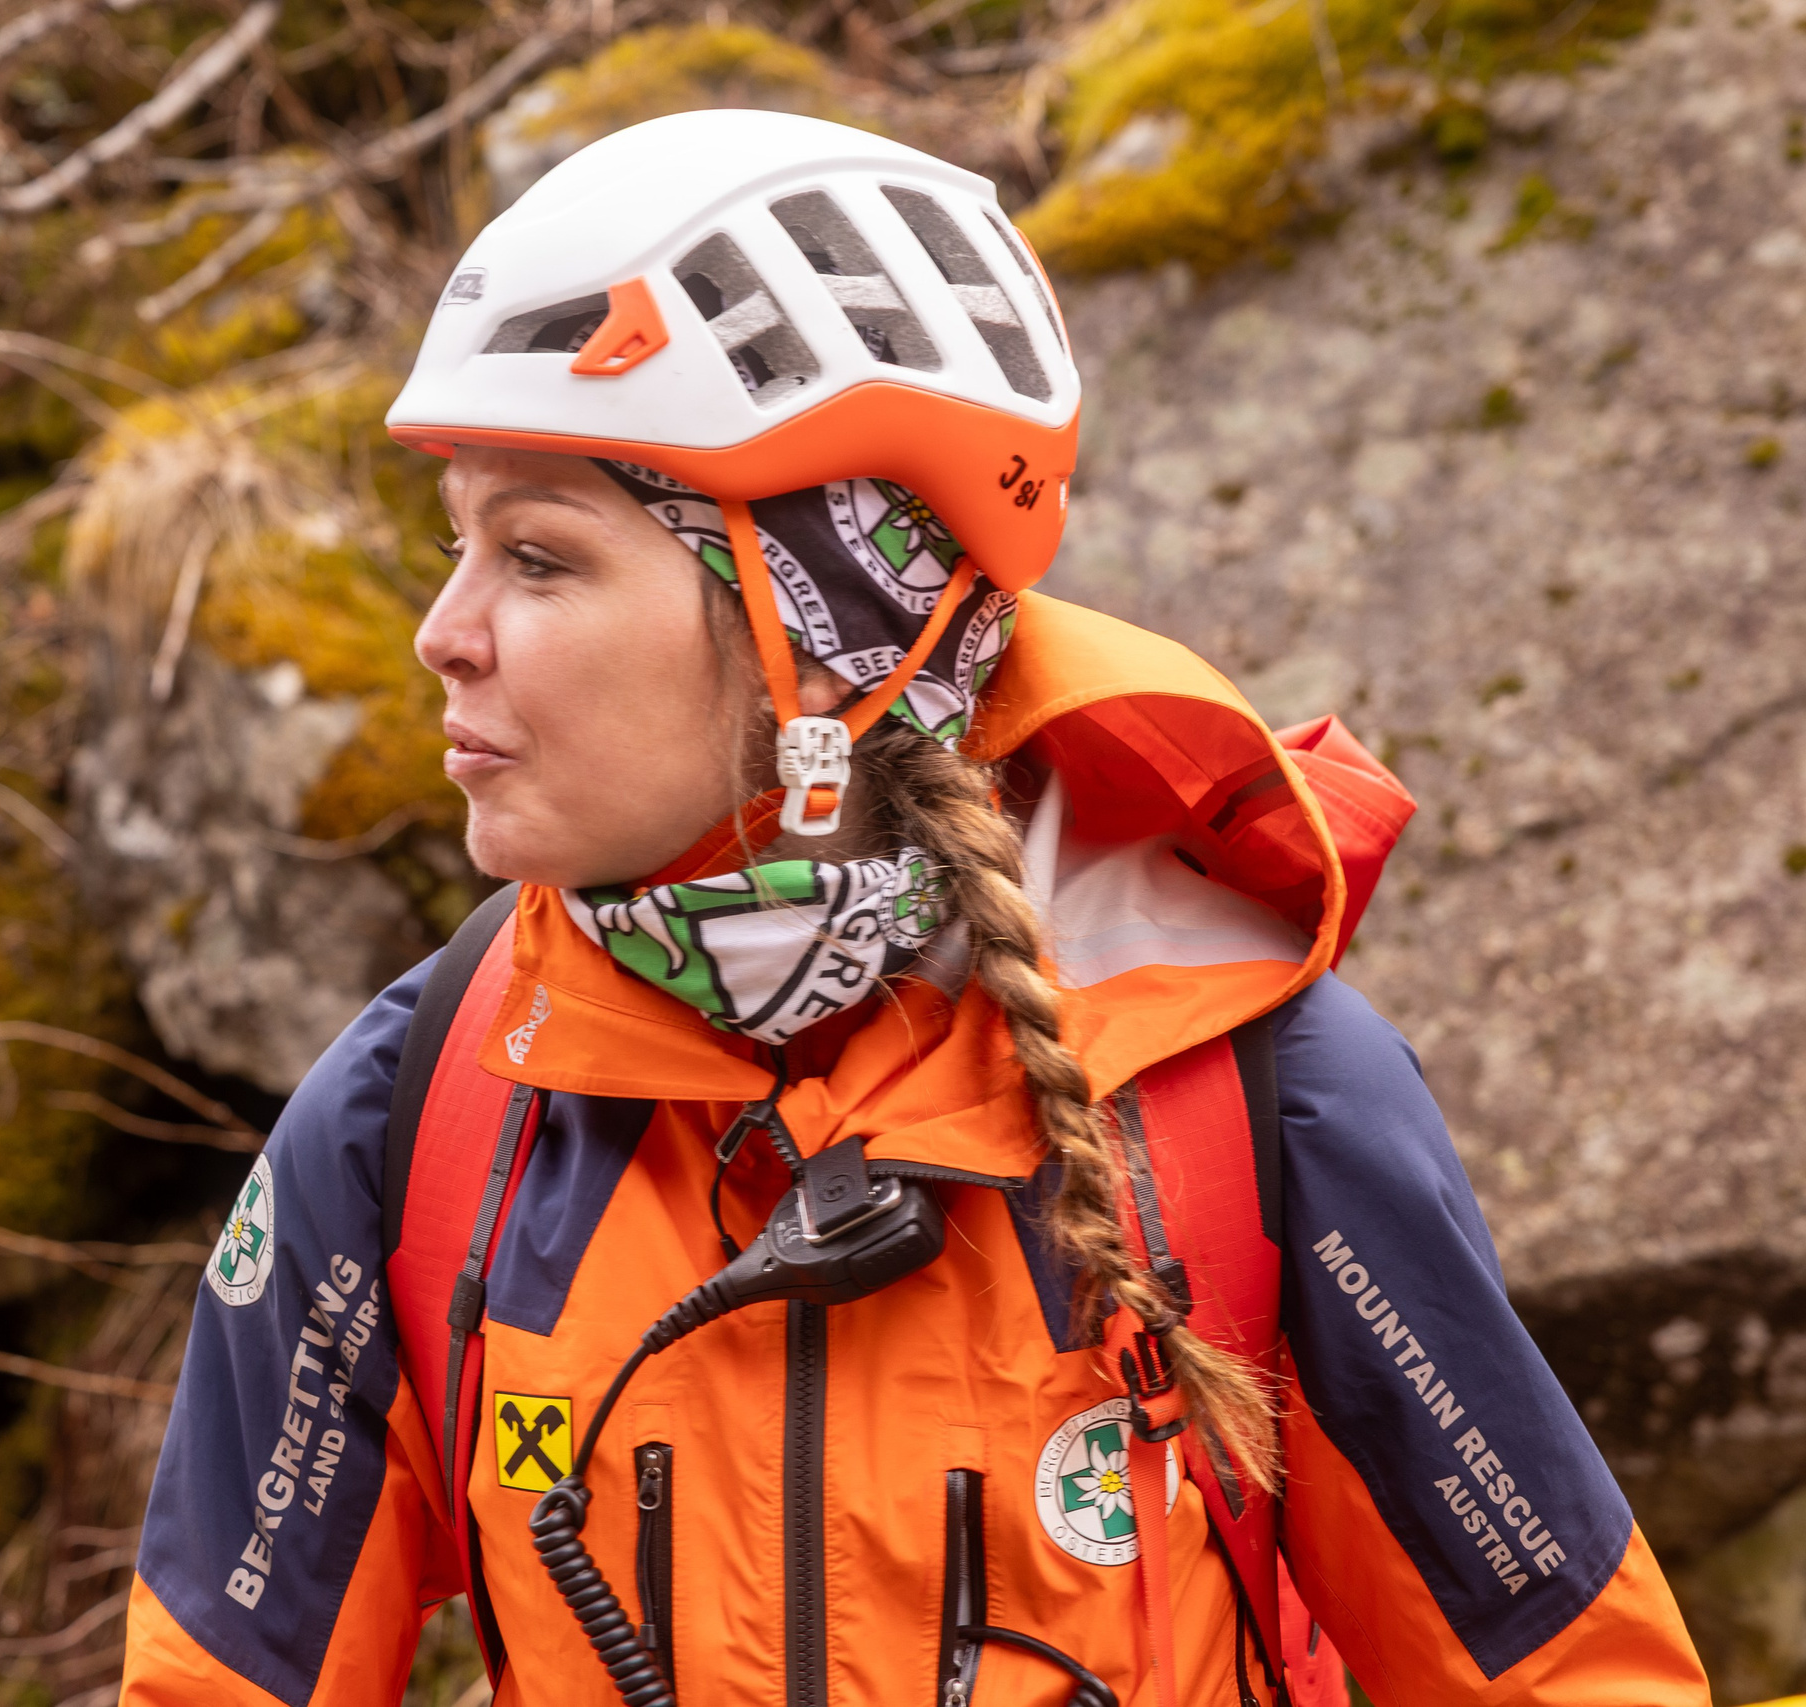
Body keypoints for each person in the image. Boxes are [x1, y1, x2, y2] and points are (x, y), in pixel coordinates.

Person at [118, 110, 1707, 1705]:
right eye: (455, 546)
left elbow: (1566, 1679)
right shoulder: (421, 1118)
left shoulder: (1258, 1097)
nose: (440, 635)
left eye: (538, 559)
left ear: (818, 639)